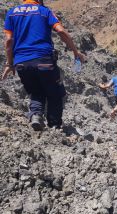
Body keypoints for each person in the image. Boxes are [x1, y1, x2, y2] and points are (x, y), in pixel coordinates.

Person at [1, 0, 84, 131]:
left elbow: (9, 40)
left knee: (35, 90)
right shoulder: (44, 11)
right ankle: (54, 125)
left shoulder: (12, 13)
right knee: (55, 91)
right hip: (43, 59)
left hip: (22, 62)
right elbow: (61, 31)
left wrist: (9, 64)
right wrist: (75, 52)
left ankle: (35, 115)